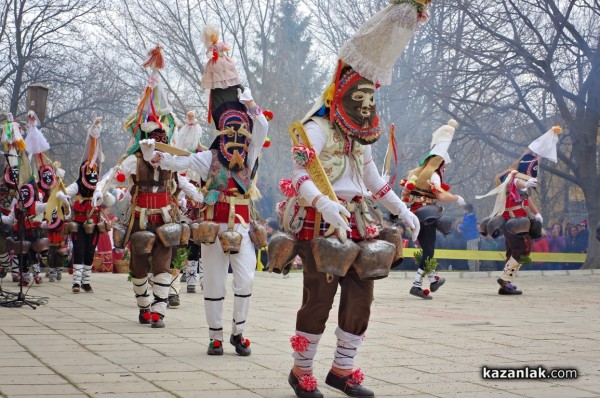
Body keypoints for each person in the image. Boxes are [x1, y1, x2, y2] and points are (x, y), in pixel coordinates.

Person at [275, 3, 426, 396]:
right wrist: (325, 204)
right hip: (322, 221)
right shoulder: (316, 127)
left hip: (359, 221)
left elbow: (373, 180)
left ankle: (342, 370)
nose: (365, 107)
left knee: (362, 296)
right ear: (342, 94)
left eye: (370, 101)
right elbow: (299, 177)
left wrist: (401, 208)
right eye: (359, 99)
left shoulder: (362, 133)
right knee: (319, 298)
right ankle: (301, 370)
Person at [142, 25, 269, 353]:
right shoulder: (209, 157)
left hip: (240, 225)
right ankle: (215, 335)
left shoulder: (250, 155)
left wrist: (252, 105)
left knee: (247, 278)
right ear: (221, 132)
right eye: (232, 129)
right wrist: (157, 158)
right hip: (212, 226)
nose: (238, 135)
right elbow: (178, 163)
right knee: (213, 281)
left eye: (242, 129)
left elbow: (264, 127)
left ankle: (238, 333)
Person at [96, 45, 201, 328]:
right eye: (151, 144)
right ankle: (144, 305)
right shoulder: (132, 162)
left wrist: (199, 196)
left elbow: (184, 181)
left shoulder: (170, 163)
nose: (155, 151)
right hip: (140, 218)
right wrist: (102, 193)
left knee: (163, 263)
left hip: (165, 217)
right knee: (139, 266)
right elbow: (115, 178)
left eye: (160, 143)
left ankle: (160, 311)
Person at [476, 126, 561, 295]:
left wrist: (537, 214)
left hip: (518, 222)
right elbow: (519, 185)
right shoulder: (513, 177)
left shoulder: (515, 177)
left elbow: (526, 199)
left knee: (513, 250)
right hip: (514, 222)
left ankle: (506, 284)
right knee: (524, 249)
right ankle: (506, 279)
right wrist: (526, 183)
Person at [400, 119, 465, 299]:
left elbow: (405, 194)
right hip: (426, 214)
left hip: (415, 213)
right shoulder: (433, 175)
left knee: (427, 249)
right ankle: (417, 285)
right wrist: (456, 198)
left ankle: (434, 279)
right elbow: (440, 195)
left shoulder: (416, 173)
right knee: (429, 250)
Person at [62, 117, 109, 293]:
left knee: (90, 251)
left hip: (94, 222)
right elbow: (67, 192)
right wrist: (62, 194)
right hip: (79, 221)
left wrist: (105, 194)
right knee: (79, 250)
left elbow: (105, 196)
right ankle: (76, 282)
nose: (91, 173)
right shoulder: (78, 184)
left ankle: (86, 281)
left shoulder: (98, 185)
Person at [456, 203, 479, 271]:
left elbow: (466, 226)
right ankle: (476, 270)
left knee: (471, 255)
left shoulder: (467, 217)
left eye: (463, 210)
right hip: (474, 237)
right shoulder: (472, 216)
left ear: (466, 210)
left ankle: (472, 270)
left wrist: (459, 226)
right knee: (475, 255)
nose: (463, 211)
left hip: (470, 238)